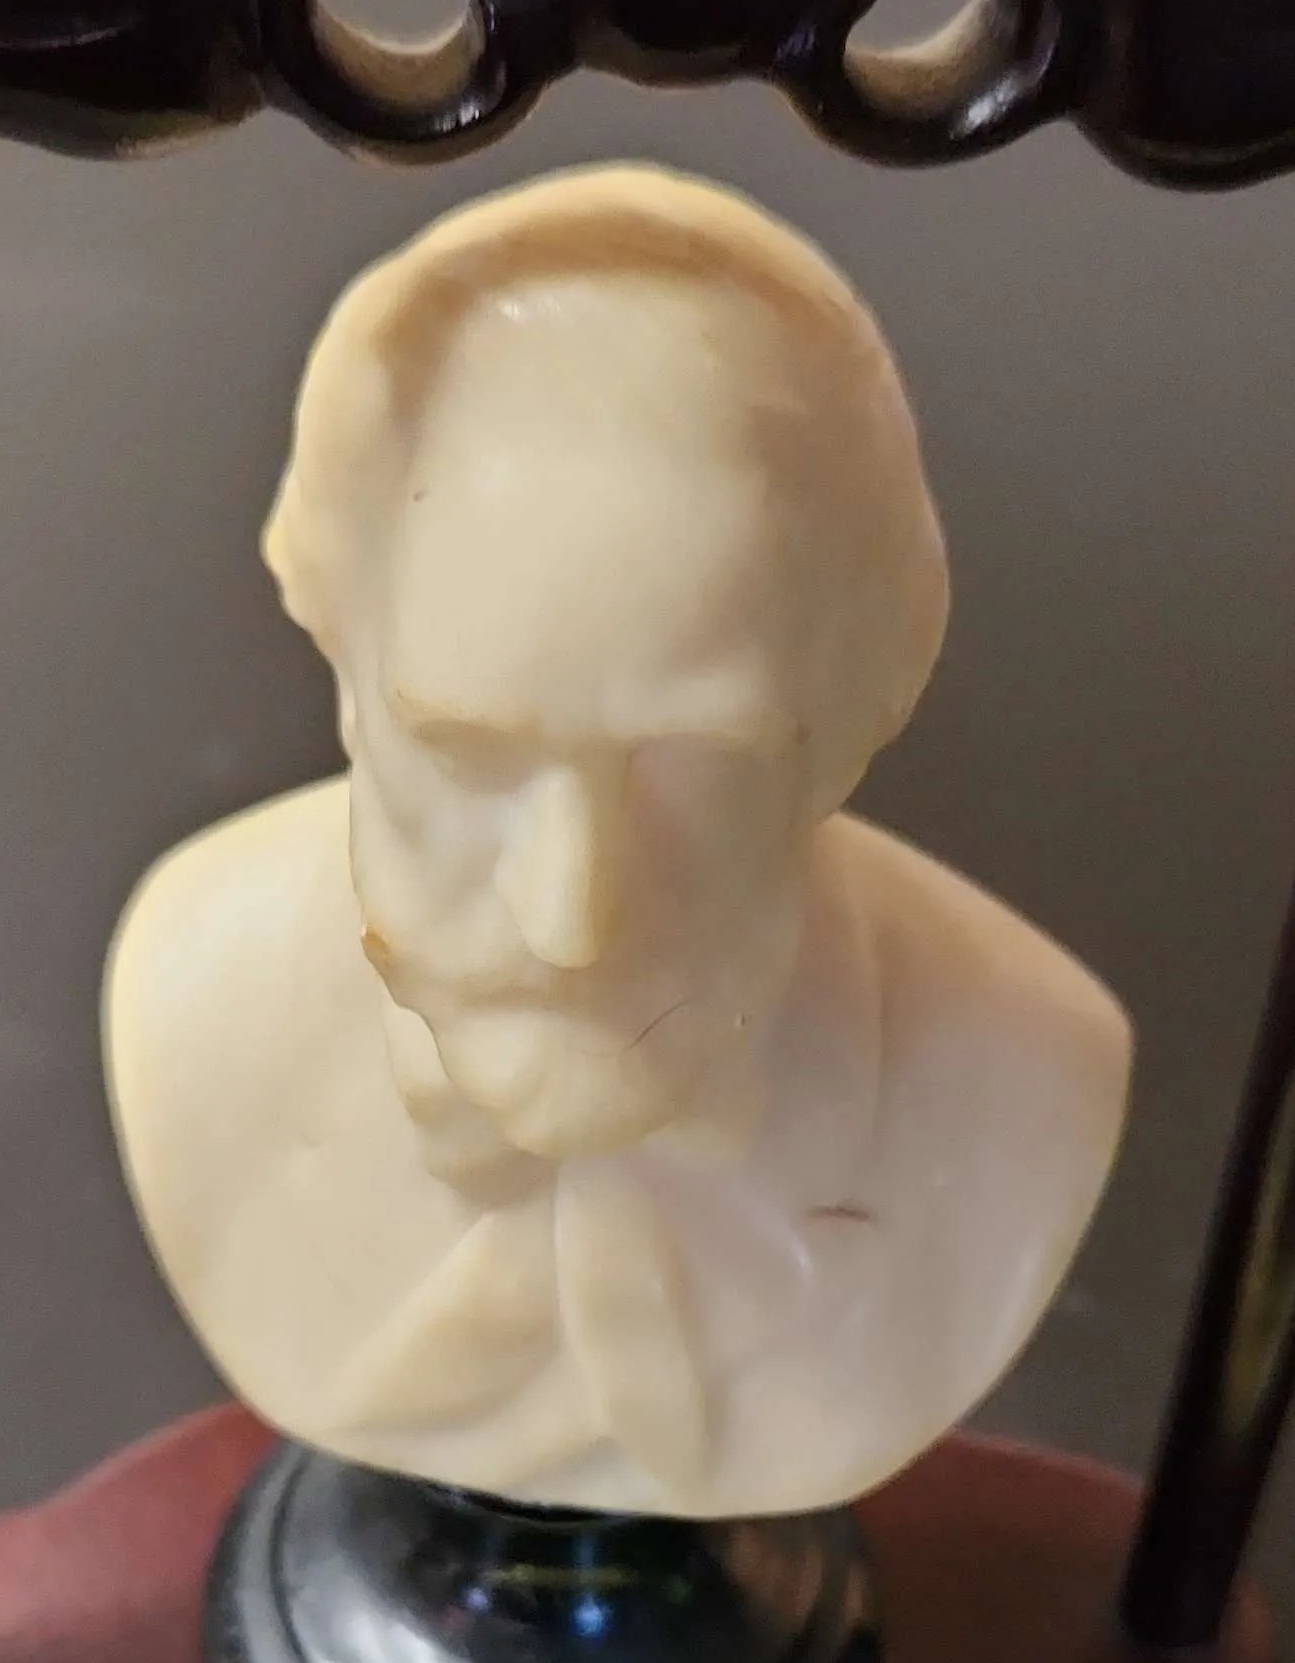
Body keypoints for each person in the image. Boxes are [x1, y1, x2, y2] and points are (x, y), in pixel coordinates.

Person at [104, 163, 1129, 1518]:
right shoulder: (201, 995)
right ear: (347, 667)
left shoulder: (1026, 1070)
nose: (568, 916)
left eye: (695, 767)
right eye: (466, 753)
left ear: (850, 720)